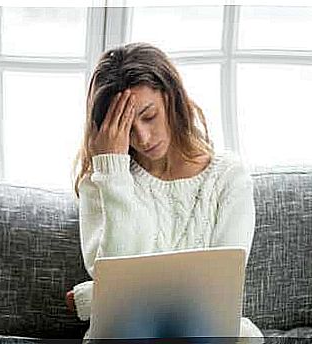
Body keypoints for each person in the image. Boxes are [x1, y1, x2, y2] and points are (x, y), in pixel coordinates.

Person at [66, 42, 264, 342]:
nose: (143, 138)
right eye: (127, 129)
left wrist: (93, 297)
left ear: (172, 99)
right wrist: (114, 174)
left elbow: (218, 288)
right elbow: (118, 291)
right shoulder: (101, 181)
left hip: (204, 329)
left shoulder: (229, 177)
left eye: (148, 115)